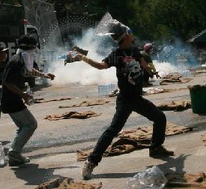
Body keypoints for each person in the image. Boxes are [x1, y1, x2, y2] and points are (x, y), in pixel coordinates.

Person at [70, 19, 174, 180]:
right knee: (113, 130)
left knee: (160, 117)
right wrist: (82, 57)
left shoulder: (134, 50)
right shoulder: (116, 55)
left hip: (137, 98)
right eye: (129, 33)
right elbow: (100, 66)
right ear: (124, 37)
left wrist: (152, 72)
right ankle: (91, 161)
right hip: (125, 99)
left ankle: (156, 148)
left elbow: (142, 61)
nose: (132, 35)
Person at [0, 34, 55, 166]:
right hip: (12, 100)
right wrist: (23, 95)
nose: (34, 51)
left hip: (13, 99)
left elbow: (29, 71)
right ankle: (14, 152)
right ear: (29, 48)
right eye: (33, 48)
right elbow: (8, 82)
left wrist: (44, 75)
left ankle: (14, 156)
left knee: (23, 127)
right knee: (31, 124)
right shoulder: (16, 61)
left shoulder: (22, 59)